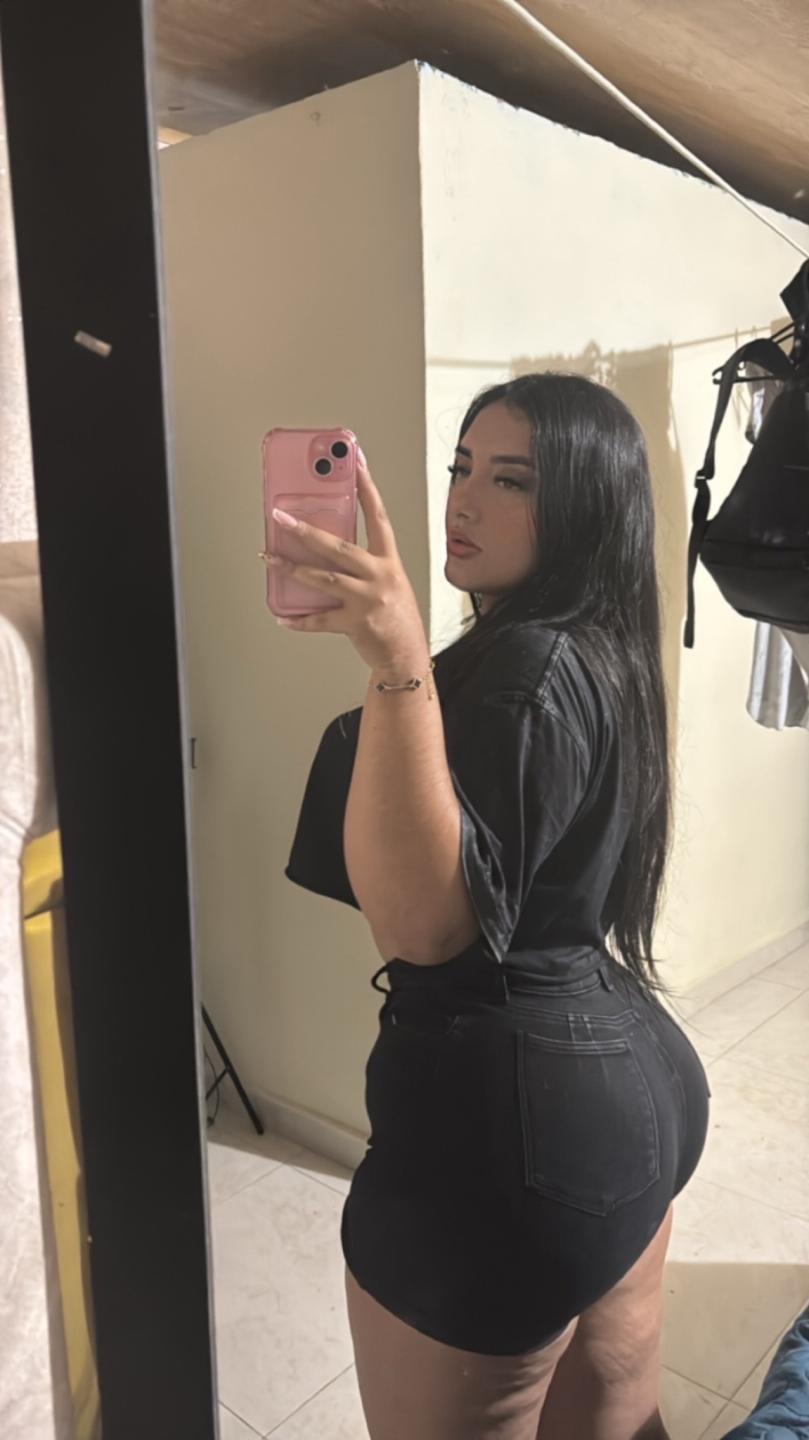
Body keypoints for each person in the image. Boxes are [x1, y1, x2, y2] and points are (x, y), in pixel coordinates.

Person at [269, 373, 711, 1439]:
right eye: (462, 467)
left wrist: (395, 663)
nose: (463, 499)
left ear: (584, 505)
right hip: (628, 1088)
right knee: (615, 1412)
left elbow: (424, 930)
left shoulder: (524, 668)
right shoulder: (594, 642)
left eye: (511, 480)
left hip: (515, 1138)